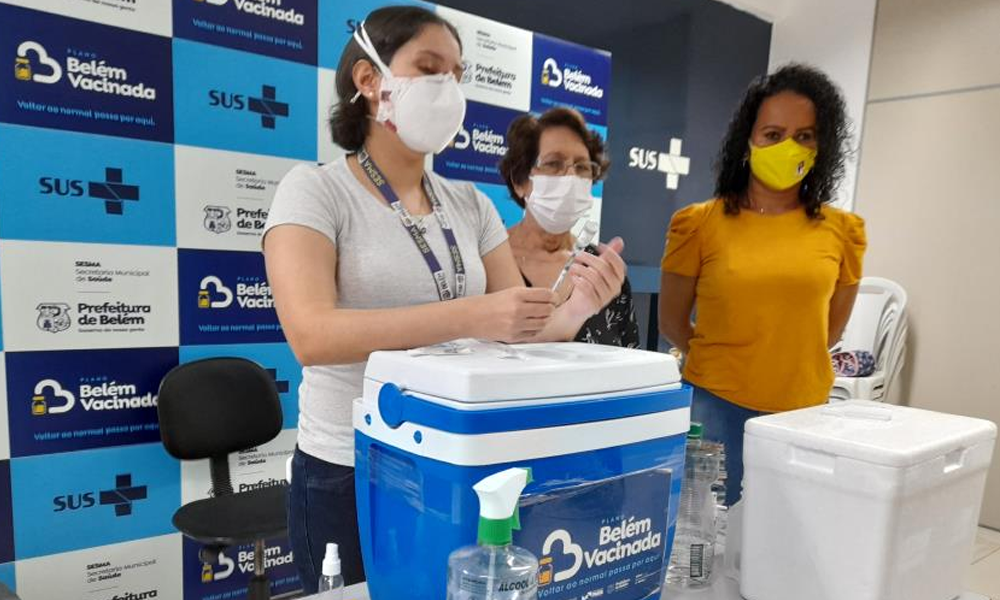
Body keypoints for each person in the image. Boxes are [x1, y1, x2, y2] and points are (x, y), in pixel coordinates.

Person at [261, 6, 626, 593]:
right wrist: (471, 316)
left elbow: (521, 325)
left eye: (458, 74)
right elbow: (312, 335)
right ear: (368, 79)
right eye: (431, 69)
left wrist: (579, 306)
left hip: (455, 459)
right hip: (349, 466)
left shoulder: (470, 204)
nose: (449, 89)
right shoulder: (315, 191)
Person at [658, 64, 866, 506]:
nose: (789, 146)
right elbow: (672, 322)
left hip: (804, 412)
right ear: (748, 141)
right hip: (715, 406)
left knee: (788, 531)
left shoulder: (843, 231)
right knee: (706, 535)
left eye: (804, 136)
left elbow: (830, 330)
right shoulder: (699, 224)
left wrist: (783, 360)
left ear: (821, 146)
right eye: (773, 134)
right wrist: (727, 361)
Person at [499, 108, 640, 347]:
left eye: (582, 167)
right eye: (553, 163)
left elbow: (630, 359)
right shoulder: (486, 262)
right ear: (519, 181)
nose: (571, 177)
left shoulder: (601, 273)